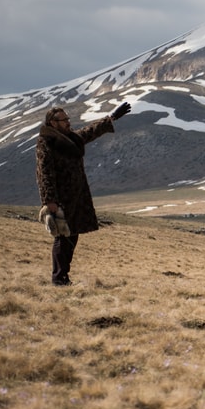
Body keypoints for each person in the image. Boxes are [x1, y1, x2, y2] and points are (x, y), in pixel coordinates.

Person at [36, 101, 130, 286]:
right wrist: (50, 200)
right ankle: (58, 278)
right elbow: (44, 173)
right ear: (53, 123)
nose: (68, 122)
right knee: (62, 237)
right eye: (64, 120)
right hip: (60, 198)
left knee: (72, 234)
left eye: (68, 119)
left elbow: (89, 132)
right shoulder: (46, 143)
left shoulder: (70, 138)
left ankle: (64, 277)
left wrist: (111, 118)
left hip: (76, 196)